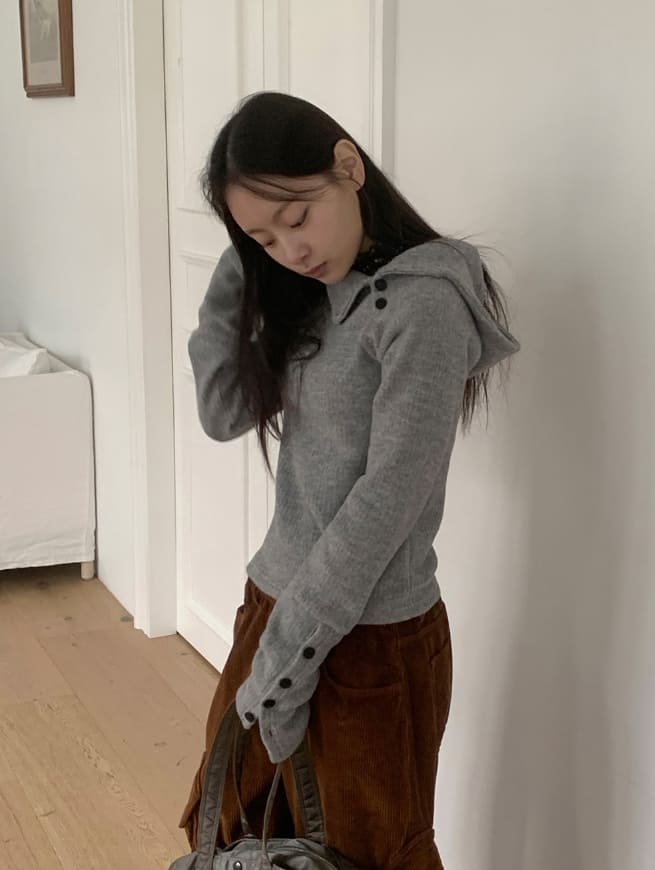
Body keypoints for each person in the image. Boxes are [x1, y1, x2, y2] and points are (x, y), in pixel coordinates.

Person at [178, 90, 521, 869]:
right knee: (237, 836)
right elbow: (222, 411)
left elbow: (388, 496)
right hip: (273, 607)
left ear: (346, 165)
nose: (290, 250)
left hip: (368, 641)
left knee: (367, 855)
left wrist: (286, 659)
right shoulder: (313, 291)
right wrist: (239, 270)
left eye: (295, 219)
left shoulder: (423, 305)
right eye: (263, 238)